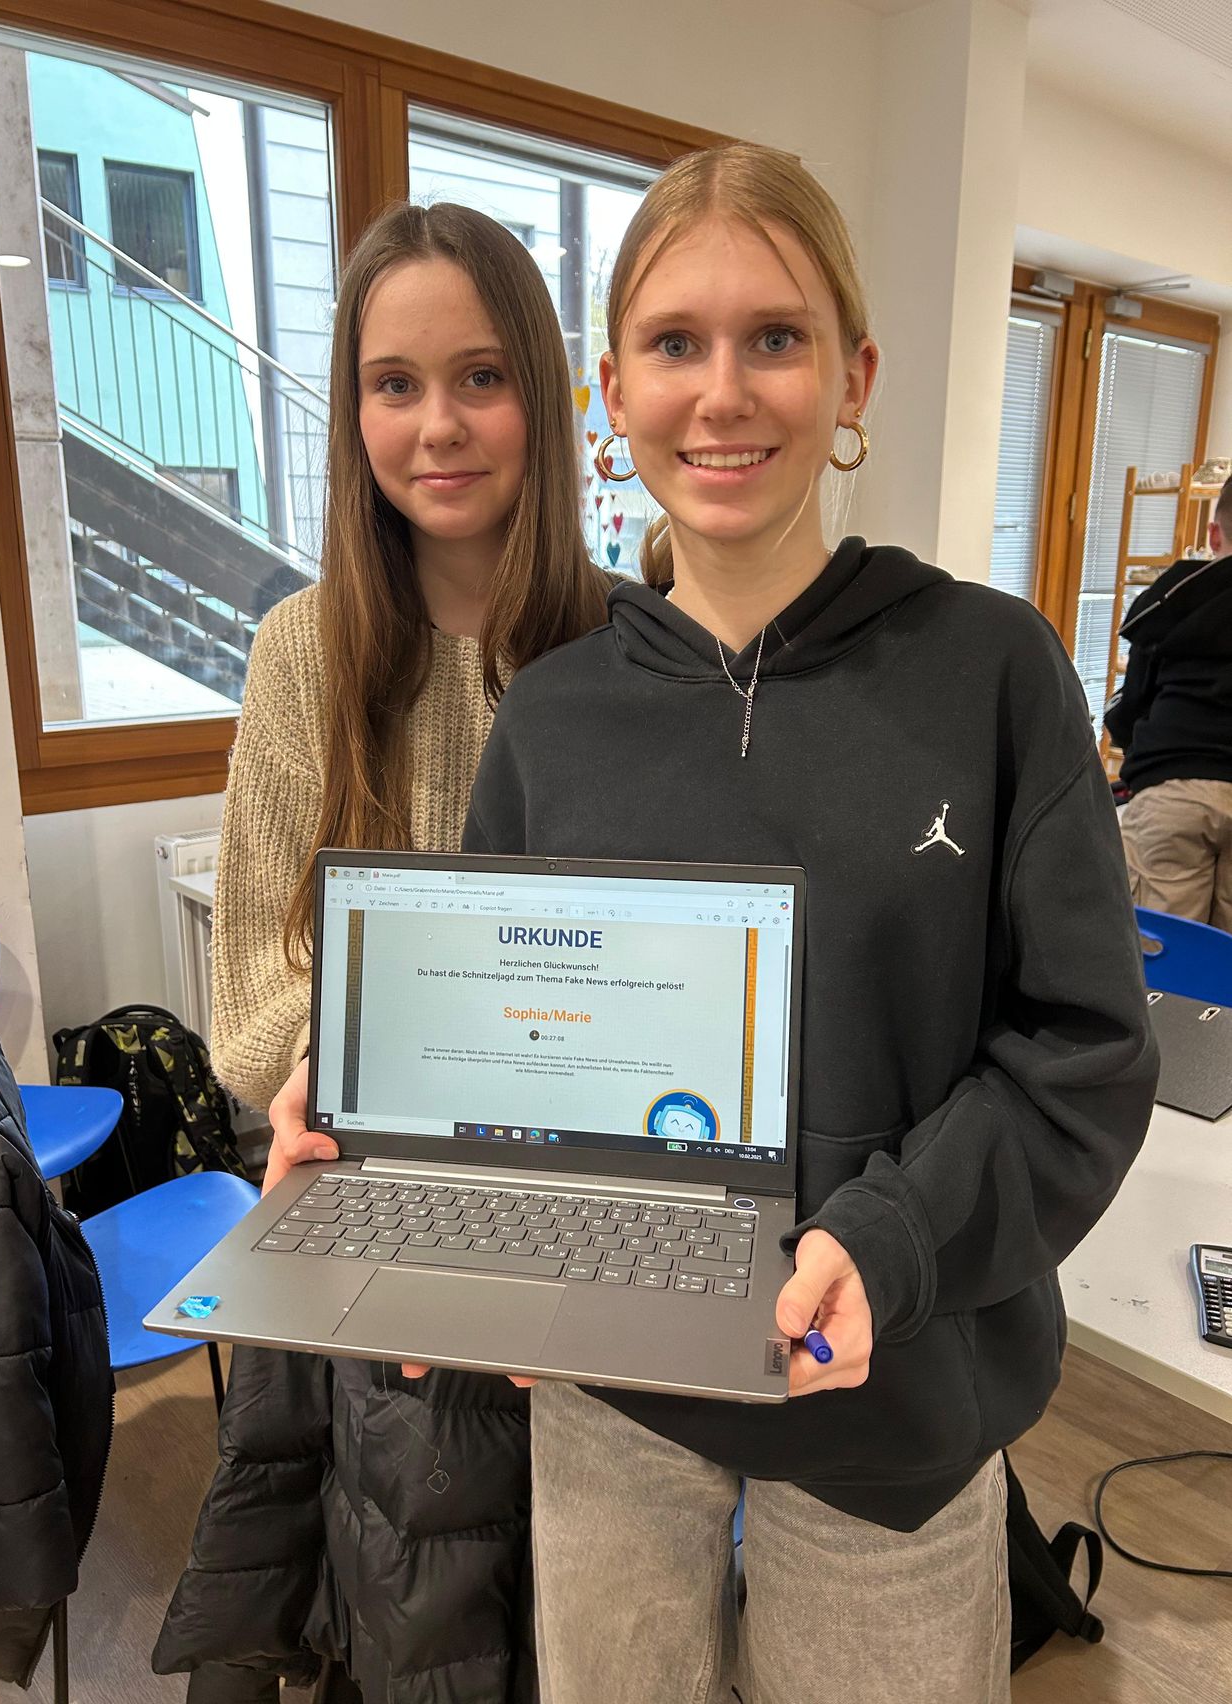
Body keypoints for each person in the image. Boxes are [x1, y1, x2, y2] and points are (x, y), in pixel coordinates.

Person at [445, 143, 1158, 1703]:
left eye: (774, 337)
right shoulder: (551, 717)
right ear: (613, 393)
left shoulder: (991, 671)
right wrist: (434, 1203)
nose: (724, 393)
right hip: (610, 1393)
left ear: (854, 377)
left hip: (891, 1396)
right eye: (674, 344)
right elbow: (506, 1054)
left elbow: (1083, 1050)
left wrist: (885, 1237)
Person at [153, 200, 613, 1703]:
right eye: (392, 383)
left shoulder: (632, 644)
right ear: (349, 408)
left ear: (541, 398)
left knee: (585, 1609)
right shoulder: (303, 647)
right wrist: (357, 1095)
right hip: (365, 1192)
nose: (437, 426)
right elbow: (255, 997)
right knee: (406, 1592)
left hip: (581, 1219)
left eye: (479, 377)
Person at [1105, 473, 1232, 930]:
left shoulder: (1173, 597)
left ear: (1213, 534)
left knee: (1166, 964)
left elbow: (1130, 706)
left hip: (1173, 789)